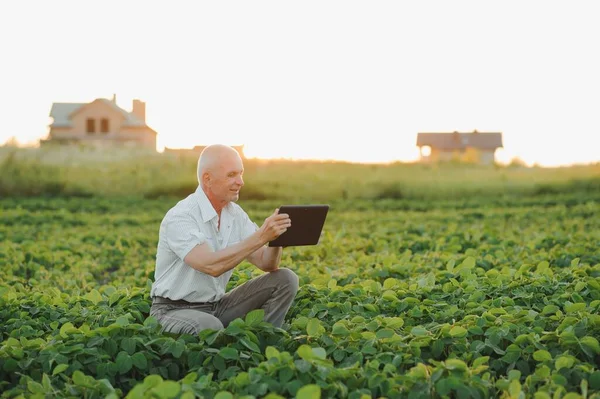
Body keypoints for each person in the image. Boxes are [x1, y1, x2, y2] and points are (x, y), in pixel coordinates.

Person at [149, 144, 299, 334]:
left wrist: (276, 240)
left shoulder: (235, 214)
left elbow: (266, 263)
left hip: (216, 307)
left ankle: (264, 343)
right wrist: (261, 235)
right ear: (207, 179)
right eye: (232, 175)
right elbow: (210, 266)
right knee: (209, 327)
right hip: (171, 310)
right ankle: (225, 347)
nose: (240, 182)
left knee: (285, 279)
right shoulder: (181, 216)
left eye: (241, 174)